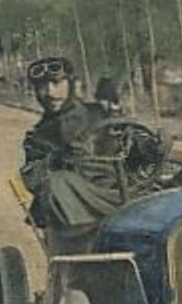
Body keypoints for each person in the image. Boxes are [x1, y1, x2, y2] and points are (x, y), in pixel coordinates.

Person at [20, 56, 125, 255]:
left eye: (57, 83)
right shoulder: (39, 136)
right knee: (56, 185)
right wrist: (59, 158)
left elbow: (126, 149)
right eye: (42, 86)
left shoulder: (99, 116)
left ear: (71, 84)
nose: (50, 92)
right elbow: (33, 180)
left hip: (118, 198)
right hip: (75, 220)